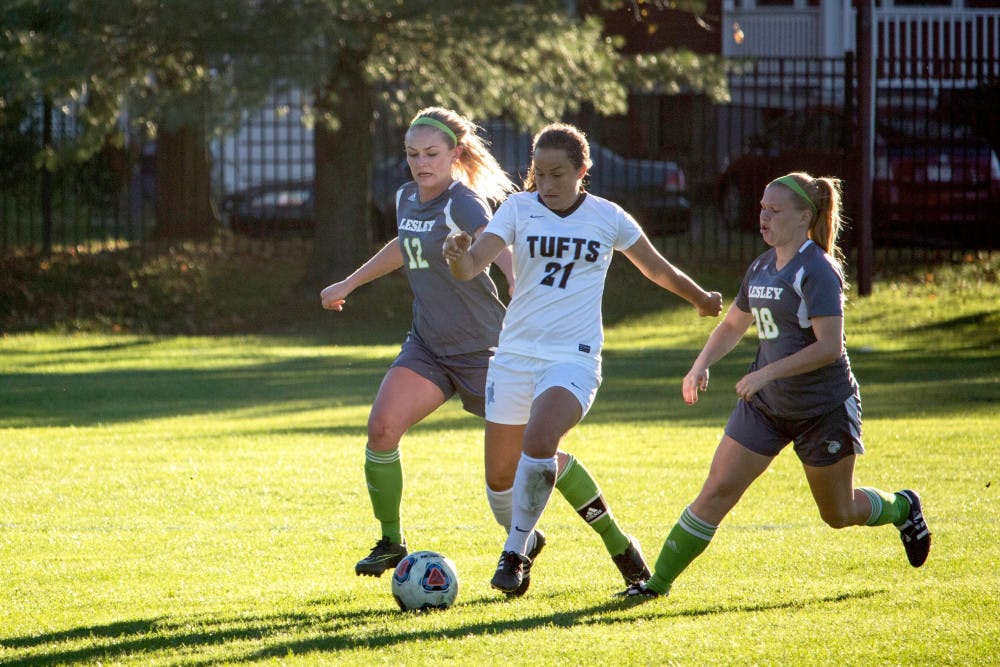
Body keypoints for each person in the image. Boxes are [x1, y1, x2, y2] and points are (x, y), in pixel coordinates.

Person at [322, 109, 654, 595]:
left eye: (431, 154)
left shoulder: (465, 202)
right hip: (428, 347)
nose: (420, 163)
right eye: (412, 154)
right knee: (382, 428)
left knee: (538, 458)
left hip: (487, 350)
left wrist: (520, 283)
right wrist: (350, 282)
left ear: (455, 154)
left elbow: (499, 246)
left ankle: (611, 540)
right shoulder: (406, 197)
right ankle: (392, 541)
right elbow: (405, 243)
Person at [619, 172, 932, 601]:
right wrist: (700, 365)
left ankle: (902, 507)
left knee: (838, 514)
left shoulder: (818, 271)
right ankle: (654, 586)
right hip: (766, 407)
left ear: (805, 216)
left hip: (822, 409)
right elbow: (732, 324)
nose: (763, 217)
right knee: (715, 491)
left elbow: (829, 348)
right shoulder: (762, 265)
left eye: (775, 210)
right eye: (762, 208)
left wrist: (766, 372)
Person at [443, 122, 723, 595]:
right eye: (539, 173)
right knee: (501, 485)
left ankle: (513, 554)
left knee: (540, 438)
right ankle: (617, 543)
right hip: (513, 357)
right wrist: (456, 256)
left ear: (582, 170)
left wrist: (699, 298)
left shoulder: (607, 217)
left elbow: (657, 268)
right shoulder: (518, 209)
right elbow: (472, 265)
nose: (548, 185)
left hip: (572, 359)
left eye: (558, 174)